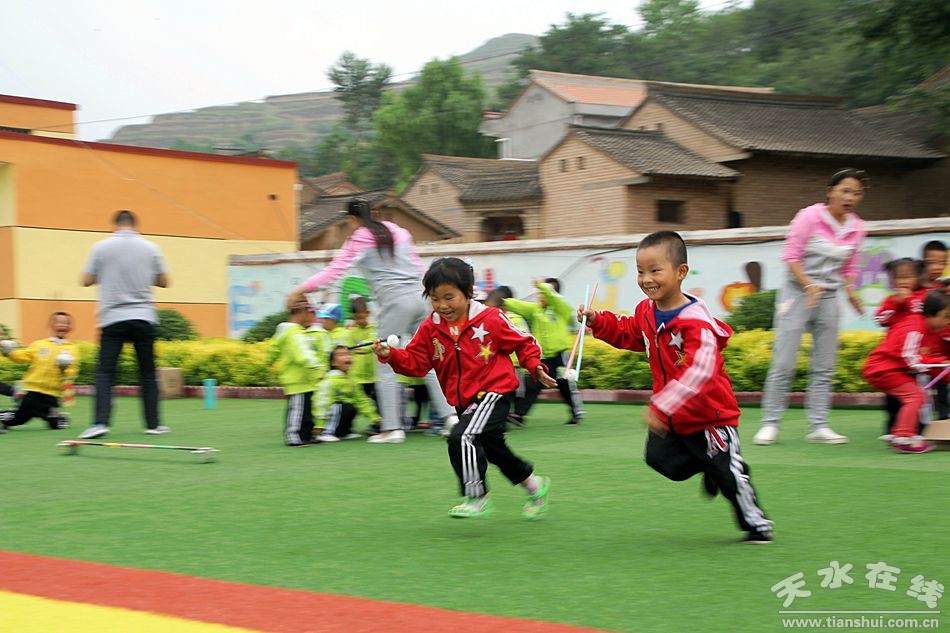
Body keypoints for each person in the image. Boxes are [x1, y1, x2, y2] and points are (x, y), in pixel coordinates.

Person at [579, 231, 774, 543]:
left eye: (655, 270)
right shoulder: (647, 310)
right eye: (640, 271)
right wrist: (598, 321)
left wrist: (660, 406)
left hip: (712, 416)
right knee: (659, 459)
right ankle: (709, 468)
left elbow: (700, 372)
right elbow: (632, 333)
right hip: (676, 419)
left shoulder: (696, 323)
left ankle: (757, 524)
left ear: (681, 272)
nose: (646, 279)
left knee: (729, 473)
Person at [373, 257, 557, 520]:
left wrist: (534, 365)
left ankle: (476, 496)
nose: (443, 306)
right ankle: (535, 486)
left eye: (450, 297)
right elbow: (416, 364)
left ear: (468, 293)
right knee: (495, 451)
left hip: (495, 392)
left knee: (462, 436)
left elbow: (524, 342)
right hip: (465, 401)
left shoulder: (491, 319)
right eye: (435, 299)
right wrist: (390, 355)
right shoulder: (430, 328)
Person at [286, 198, 456, 444]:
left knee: (384, 360)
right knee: (428, 359)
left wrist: (300, 289)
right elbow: (420, 268)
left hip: (396, 302)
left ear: (351, 219)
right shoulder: (400, 232)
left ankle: (392, 428)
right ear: (373, 213)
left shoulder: (358, 238)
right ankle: (451, 418)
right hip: (421, 299)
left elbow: (334, 271)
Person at [753, 169, 869, 446]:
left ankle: (818, 426)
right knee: (784, 362)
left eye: (856, 193)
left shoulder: (858, 228)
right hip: (797, 293)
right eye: (845, 191)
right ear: (830, 191)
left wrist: (851, 292)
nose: (850, 197)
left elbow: (850, 266)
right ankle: (770, 424)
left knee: (825, 365)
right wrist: (808, 285)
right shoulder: (809, 217)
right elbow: (791, 257)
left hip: (828, 297)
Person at [79, 210, 169, 439]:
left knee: (105, 373)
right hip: (143, 316)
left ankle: (100, 422)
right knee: (147, 373)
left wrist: (108, 274)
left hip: (112, 318)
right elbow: (164, 281)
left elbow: (86, 280)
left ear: (115, 225)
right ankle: (153, 424)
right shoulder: (151, 248)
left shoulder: (101, 247)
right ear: (136, 225)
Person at [862, 289, 950, 454]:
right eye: (945, 316)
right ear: (931, 314)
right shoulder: (915, 328)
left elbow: (923, 360)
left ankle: (903, 434)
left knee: (916, 396)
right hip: (882, 369)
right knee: (915, 396)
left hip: (891, 369)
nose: (948, 321)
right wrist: (940, 364)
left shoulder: (928, 330)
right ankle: (903, 437)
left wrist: (942, 368)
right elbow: (910, 357)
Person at [504, 278, 585, 425]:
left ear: (552, 294)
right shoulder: (535, 310)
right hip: (544, 357)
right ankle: (519, 414)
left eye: (543, 294)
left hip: (560, 356)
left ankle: (576, 412)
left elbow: (554, 298)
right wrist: (500, 301)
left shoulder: (561, 309)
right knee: (533, 384)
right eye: (539, 294)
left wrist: (542, 285)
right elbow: (518, 305)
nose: (539, 297)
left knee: (565, 384)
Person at [874, 258, 926, 439]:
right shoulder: (890, 299)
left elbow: (921, 313)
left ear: (918, 277)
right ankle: (892, 428)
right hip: (894, 355)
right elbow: (880, 320)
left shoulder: (922, 297)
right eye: (898, 278)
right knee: (893, 395)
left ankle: (914, 429)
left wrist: (907, 300)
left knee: (914, 393)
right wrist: (895, 303)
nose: (903, 281)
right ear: (892, 280)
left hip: (913, 353)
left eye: (908, 277)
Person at [0, 312, 79, 433]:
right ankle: (15, 415)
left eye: (65, 323)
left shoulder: (72, 349)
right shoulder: (40, 344)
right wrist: (9, 352)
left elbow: (72, 372)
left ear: (70, 327)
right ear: (51, 325)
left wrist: (64, 368)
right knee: (19, 419)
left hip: (52, 394)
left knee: (57, 424)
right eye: (59, 322)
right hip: (33, 391)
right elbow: (22, 356)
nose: (62, 325)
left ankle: (51, 414)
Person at [270, 299, 323, 446]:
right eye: (310, 312)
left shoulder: (289, 332)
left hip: (302, 378)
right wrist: (316, 366)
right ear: (301, 312)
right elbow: (302, 354)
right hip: (298, 378)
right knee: (298, 409)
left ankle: (305, 435)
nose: (312, 316)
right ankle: (293, 436)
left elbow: (273, 349)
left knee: (305, 410)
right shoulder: (294, 332)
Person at [314, 346, 381, 442]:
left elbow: (361, 400)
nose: (347, 357)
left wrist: (374, 418)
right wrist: (319, 425)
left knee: (352, 406)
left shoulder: (351, 380)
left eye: (348, 354)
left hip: (341, 411)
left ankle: (344, 432)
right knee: (340, 407)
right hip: (326, 417)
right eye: (341, 355)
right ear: (333, 363)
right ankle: (327, 432)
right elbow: (321, 404)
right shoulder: (329, 381)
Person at [485, 286, 530, 427]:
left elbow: (523, 342)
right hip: (501, 366)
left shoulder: (512, 320)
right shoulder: (489, 320)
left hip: (511, 366)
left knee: (506, 395)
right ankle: (504, 419)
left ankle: (504, 420)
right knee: (503, 396)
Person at [921, 240, 949, 419]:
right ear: (923, 262)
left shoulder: (945, 288)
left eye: (943, 262)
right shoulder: (916, 288)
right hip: (923, 351)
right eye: (932, 262)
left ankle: (945, 422)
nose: (938, 266)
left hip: (942, 350)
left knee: (944, 388)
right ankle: (918, 427)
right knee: (921, 390)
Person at [345, 296, 378, 405]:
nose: (358, 321)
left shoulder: (375, 329)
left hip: (374, 376)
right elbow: (349, 350)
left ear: (368, 313)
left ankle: (377, 421)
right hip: (358, 377)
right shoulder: (351, 333)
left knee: (378, 403)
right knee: (360, 405)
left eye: (360, 317)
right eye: (356, 318)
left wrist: (363, 348)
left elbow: (374, 342)